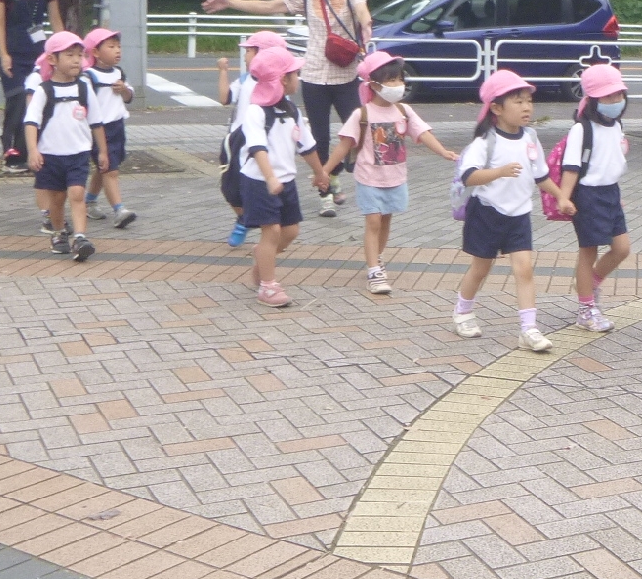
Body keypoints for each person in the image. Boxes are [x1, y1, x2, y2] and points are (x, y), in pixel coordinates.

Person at [202, 0, 373, 218]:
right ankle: (326, 192)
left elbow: (362, 10)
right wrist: (229, 2)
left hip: (346, 73)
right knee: (317, 137)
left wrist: (366, 24)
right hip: (315, 74)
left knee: (356, 128)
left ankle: (338, 172)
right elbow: (270, 7)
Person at [328, 50, 457, 296]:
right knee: (373, 220)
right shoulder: (361, 114)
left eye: (400, 79)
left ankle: (376, 257)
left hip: (395, 178)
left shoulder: (404, 111)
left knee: (386, 220)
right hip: (368, 178)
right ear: (374, 84)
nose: (398, 85)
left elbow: (423, 133)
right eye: (391, 80)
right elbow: (345, 144)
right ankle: (374, 271)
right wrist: (324, 171)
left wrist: (443, 152)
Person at [454, 68, 565, 352]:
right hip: (487, 212)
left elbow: (540, 175)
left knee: (524, 269)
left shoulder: (531, 137)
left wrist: (562, 196)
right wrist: (499, 172)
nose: (527, 107)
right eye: (518, 101)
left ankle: (529, 329)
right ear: (496, 108)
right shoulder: (485, 142)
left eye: (529, 100)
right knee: (481, 268)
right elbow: (469, 176)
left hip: (519, 214)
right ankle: (463, 311)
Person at [236, 46, 329, 308]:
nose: (298, 78)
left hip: (286, 180)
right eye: (294, 73)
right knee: (272, 231)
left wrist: (320, 173)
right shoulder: (256, 111)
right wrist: (270, 179)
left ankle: (263, 259)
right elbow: (257, 149)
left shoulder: (292, 111)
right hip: (258, 181)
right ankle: (267, 286)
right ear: (282, 80)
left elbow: (307, 146)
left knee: (290, 231)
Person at [554, 63, 632, 331]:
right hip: (587, 196)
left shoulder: (616, 124)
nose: (616, 101)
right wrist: (564, 198)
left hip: (610, 193)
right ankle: (586, 309)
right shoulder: (582, 129)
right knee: (588, 252)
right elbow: (571, 167)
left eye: (619, 95)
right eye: (609, 96)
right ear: (593, 98)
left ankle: (590, 286)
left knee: (622, 248)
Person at [25, 31, 100, 261]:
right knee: (56, 200)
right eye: (70, 55)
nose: (77, 60)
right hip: (50, 155)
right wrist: (32, 150)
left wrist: (103, 151)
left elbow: (97, 122)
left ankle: (80, 237)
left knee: (77, 193)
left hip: (78, 153)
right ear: (52, 60)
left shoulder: (84, 89)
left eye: (80, 55)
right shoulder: (43, 90)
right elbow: (31, 122)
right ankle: (59, 234)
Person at [0, 0, 63, 174]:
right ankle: (13, 154)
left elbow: (55, 21)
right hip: (13, 53)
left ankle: (36, 152)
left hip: (40, 55)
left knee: (40, 102)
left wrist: (62, 50)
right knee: (18, 102)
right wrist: (4, 54)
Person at [220, 31, 287, 247]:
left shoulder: (280, 84)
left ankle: (265, 228)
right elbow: (225, 98)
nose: (246, 56)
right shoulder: (245, 79)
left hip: (261, 142)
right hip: (236, 140)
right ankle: (243, 218)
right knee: (229, 188)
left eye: (249, 51)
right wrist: (223, 71)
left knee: (258, 184)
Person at [81, 27, 136, 227]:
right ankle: (119, 210)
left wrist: (124, 90)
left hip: (117, 126)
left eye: (118, 46)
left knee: (105, 167)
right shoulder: (89, 76)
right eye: (111, 46)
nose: (117, 50)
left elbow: (129, 96)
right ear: (95, 52)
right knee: (109, 170)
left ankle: (90, 202)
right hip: (98, 129)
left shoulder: (118, 72)